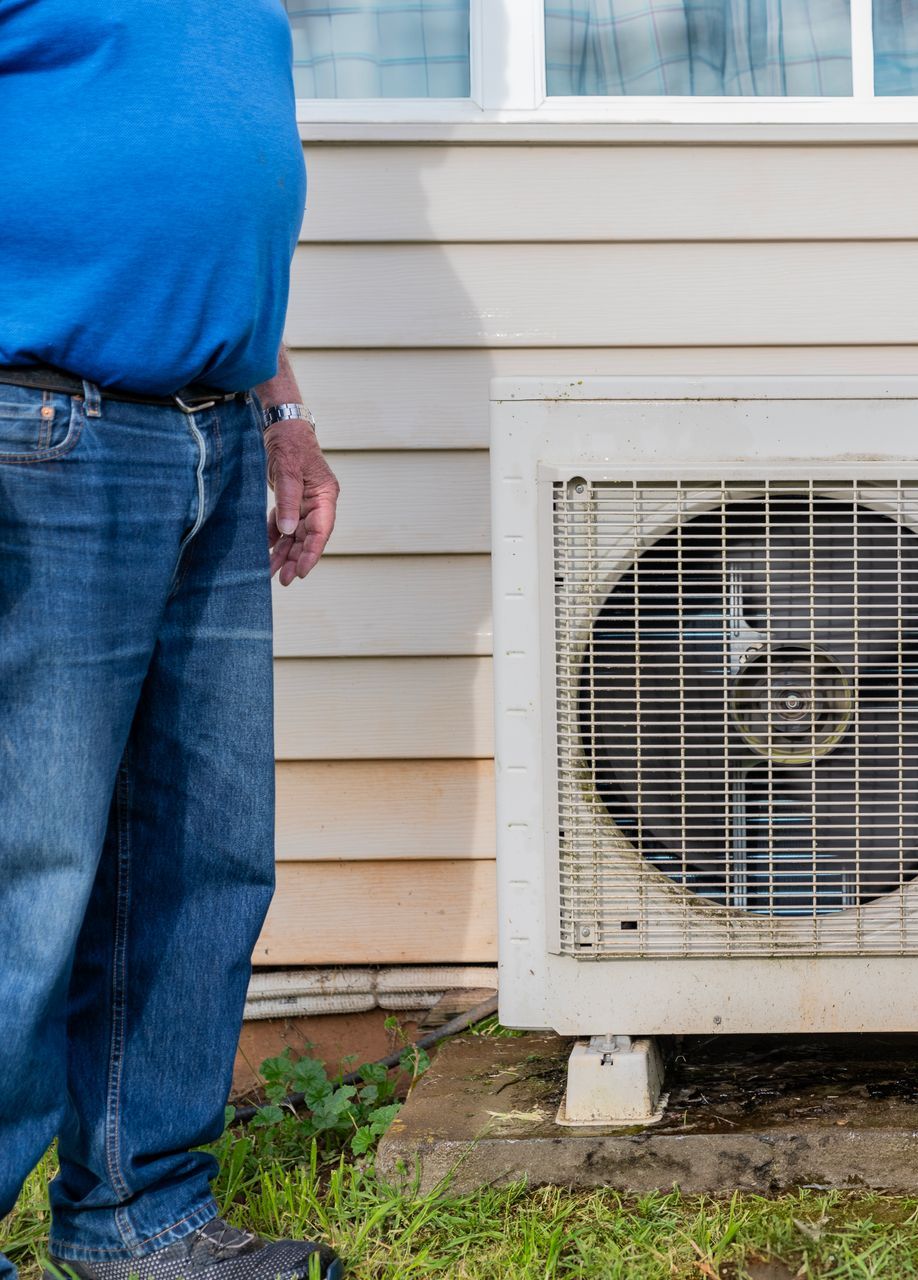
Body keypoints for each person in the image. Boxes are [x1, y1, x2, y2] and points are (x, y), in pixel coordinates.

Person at [0, 4, 344, 1278]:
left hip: (206, 430)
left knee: (200, 852)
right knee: (25, 863)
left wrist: (283, 408)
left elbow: (208, 202)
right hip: (37, 427)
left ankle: (140, 1219)